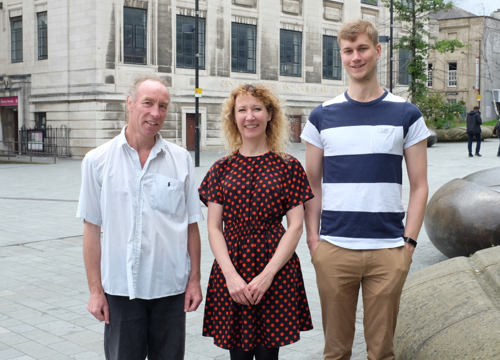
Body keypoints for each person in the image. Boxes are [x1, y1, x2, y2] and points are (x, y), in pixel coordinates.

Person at [301, 19, 429, 360]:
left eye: (361, 49)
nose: (355, 57)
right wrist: (314, 241)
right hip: (335, 248)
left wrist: (409, 243)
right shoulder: (321, 116)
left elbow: (419, 186)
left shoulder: (407, 113)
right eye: (347, 51)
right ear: (340, 55)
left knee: (382, 353)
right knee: (336, 352)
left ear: (377, 50)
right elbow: (311, 185)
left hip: (388, 250)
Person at [76, 75, 204, 360]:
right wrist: (95, 290)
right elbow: (91, 229)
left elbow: (191, 224)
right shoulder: (97, 161)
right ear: (130, 104)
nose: (155, 113)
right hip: (121, 291)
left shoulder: (180, 159)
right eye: (148, 103)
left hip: (170, 289)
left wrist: (194, 280)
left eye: (162, 106)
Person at [199, 83, 314, 360]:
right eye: (242, 110)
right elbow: (214, 227)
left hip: (275, 268)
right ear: (234, 117)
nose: (250, 116)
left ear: (270, 114)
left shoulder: (288, 166)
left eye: (257, 109)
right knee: (237, 356)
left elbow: (296, 225)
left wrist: (267, 275)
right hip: (232, 269)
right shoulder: (221, 168)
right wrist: (230, 276)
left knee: (267, 355)